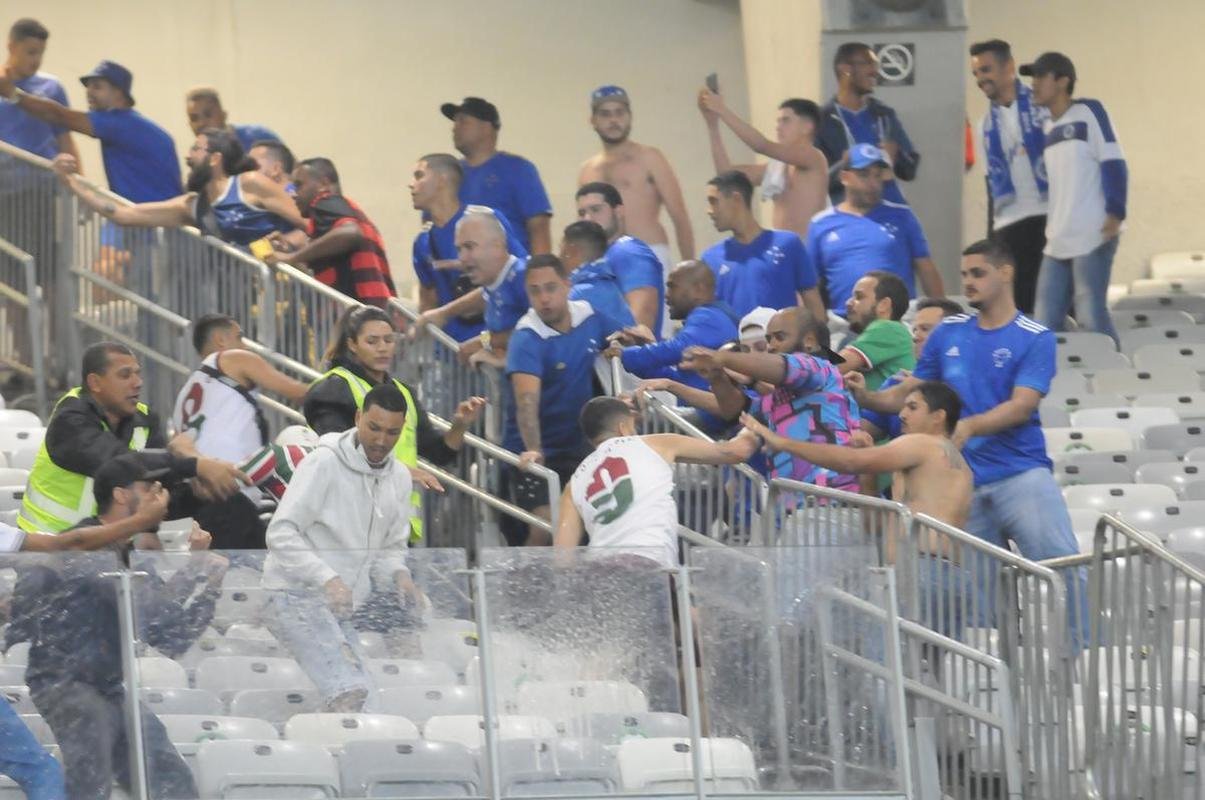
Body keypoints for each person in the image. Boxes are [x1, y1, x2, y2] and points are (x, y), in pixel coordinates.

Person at [849, 239, 1085, 639]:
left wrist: (971, 427)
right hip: (963, 483)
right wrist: (868, 397)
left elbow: (1022, 405)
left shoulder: (1034, 335)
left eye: (979, 273)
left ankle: (1084, 655)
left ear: (1006, 273)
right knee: (973, 601)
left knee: (1060, 568)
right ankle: (985, 685)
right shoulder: (949, 333)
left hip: (1021, 474)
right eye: (965, 275)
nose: (969, 282)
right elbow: (915, 390)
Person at [9, 455, 227, 799]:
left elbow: (171, 633)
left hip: (108, 686)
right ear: (122, 496)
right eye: (148, 487)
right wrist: (193, 569)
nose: (160, 495)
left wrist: (206, 581)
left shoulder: (128, 554)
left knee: (170, 780)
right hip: (65, 683)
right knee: (91, 782)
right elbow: (149, 609)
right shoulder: (82, 546)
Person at [741, 381, 977, 637]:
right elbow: (873, 526)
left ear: (938, 417)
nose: (901, 414)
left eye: (913, 407)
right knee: (929, 673)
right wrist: (868, 477)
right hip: (948, 577)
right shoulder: (952, 462)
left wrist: (782, 442)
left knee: (882, 668)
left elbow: (849, 462)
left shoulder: (923, 444)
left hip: (918, 573)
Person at [0, 484, 171, 800]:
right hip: (75, 680)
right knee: (41, 771)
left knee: (43, 771)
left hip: (104, 683)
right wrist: (139, 521)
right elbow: (66, 544)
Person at [263, 384, 420, 711]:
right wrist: (327, 578)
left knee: (368, 705)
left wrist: (400, 575)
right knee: (350, 694)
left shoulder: (400, 478)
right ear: (358, 417)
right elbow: (281, 532)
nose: (380, 440)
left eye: (391, 432)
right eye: (373, 428)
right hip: (292, 596)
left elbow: (391, 546)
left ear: (401, 430)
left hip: (338, 607)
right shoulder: (323, 463)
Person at [18, 341, 248, 533]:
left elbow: (158, 489)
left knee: (231, 505)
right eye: (125, 375)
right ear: (95, 383)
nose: (137, 382)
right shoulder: (70, 420)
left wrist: (198, 492)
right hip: (48, 548)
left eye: (138, 373)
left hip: (112, 548)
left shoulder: (145, 420)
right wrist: (195, 464)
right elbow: (119, 466)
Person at [305, 305, 486, 538]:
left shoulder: (404, 392)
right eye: (372, 341)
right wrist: (401, 472)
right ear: (352, 345)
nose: (383, 348)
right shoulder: (333, 388)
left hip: (396, 523)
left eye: (389, 340)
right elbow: (339, 452)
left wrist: (459, 425)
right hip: (349, 520)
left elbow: (440, 454)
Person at [503, 255, 630, 545]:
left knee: (592, 523)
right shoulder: (527, 337)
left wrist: (633, 339)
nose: (544, 298)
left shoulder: (588, 316)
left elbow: (621, 336)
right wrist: (534, 449)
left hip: (578, 446)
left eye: (551, 288)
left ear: (567, 286)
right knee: (546, 525)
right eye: (535, 291)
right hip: (534, 450)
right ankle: (525, 588)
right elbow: (526, 402)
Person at [680, 308, 860, 492]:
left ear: (809, 342)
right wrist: (716, 377)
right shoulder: (774, 400)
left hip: (832, 506)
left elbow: (783, 367)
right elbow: (735, 410)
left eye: (779, 337)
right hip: (791, 511)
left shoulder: (822, 370)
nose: (771, 346)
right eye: (768, 339)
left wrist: (721, 358)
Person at [556, 396, 748, 567]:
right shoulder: (656, 443)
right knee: (686, 606)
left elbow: (563, 559)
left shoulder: (574, 483)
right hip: (647, 562)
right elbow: (734, 452)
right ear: (624, 428)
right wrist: (754, 429)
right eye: (633, 425)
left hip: (599, 570)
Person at [173, 314, 311, 549]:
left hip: (197, 498)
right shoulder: (232, 358)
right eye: (240, 337)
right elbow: (298, 392)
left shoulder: (185, 394)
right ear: (220, 340)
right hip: (230, 490)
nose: (246, 345)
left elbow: (178, 446)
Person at [1023, 51, 1127, 344]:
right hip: (1058, 240)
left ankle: (1113, 372)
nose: (1034, 83)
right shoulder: (1047, 127)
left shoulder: (1090, 112)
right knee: (1044, 322)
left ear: (1063, 81)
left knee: (1091, 315)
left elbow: (1114, 160)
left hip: (1093, 233)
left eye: (1041, 76)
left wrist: (1116, 211)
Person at [51, 126, 302, 247]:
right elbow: (124, 215)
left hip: (283, 291)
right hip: (237, 301)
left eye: (196, 149)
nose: (188, 156)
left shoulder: (250, 184)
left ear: (215, 159)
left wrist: (286, 244)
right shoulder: (191, 205)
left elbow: (307, 223)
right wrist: (71, 183)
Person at [0, 59, 181, 202]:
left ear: (119, 94)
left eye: (97, 87)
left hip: (147, 224)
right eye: (88, 87)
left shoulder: (118, 123)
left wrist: (12, 93)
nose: (88, 92)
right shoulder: (140, 126)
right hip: (158, 220)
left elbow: (60, 116)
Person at [807, 144, 943, 313]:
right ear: (844, 177)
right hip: (844, 323)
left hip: (897, 322)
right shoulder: (821, 223)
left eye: (878, 176)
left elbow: (925, 268)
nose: (873, 183)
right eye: (864, 175)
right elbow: (809, 285)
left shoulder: (902, 216)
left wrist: (940, 315)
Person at [410, 153, 526, 342]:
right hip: (452, 353)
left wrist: (446, 312)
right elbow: (429, 304)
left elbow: (514, 276)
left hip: (493, 341)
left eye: (419, 175)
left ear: (441, 180)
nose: (411, 184)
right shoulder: (422, 242)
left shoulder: (486, 220)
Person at [970, 39, 1049, 315]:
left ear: (1009, 67)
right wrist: (992, 243)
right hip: (1010, 226)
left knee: (1057, 307)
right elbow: (990, 186)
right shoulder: (984, 126)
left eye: (987, 70)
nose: (981, 79)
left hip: (1048, 217)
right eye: (977, 74)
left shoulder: (1043, 107)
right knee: (1019, 309)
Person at [578, 85, 694, 271]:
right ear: (593, 120)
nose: (614, 120)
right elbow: (585, 228)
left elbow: (680, 217)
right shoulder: (587, 170)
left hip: (649, 252)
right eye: (605, 114)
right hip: (605, 261)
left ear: (630, 116)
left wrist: (689, 266)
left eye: (619, 113)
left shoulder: (651, 158)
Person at [698, 90, 829, 240]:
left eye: (785, 120)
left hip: (808, 253)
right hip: (781, 251)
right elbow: (725, 175)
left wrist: (722, 110)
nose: (778, 127)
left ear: (807, 126)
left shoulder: (814, 158)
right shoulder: (775, 168)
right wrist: (713, 125)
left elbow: (761, 145)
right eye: (778, 121)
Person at [268, 157, 397, 307]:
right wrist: (291, 253)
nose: (294, 194)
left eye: (299, 185)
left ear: (324, 184)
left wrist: (290, 257)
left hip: (361, 312)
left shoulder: (324, 201)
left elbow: (351, 232)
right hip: (375, 308)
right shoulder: (348, 211)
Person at [699, 170, 826, 321]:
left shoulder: (788, 244)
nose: (709, 211)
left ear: (736, 199)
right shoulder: (710, 259)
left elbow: (813, 302)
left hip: (781, 343)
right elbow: (706, 316)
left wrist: (822, 342)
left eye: (714, 201)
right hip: (733, 344)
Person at [441, 96, 552, 253]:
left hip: (511, 272)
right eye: (454, 122)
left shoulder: (518, 170)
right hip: (459, 271)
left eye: (463, 121)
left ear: (487, 127)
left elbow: (538, 227)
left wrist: (541, 271)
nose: (454, 128)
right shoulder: (448, 176)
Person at [607, 260, 738, 392]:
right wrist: (640, 349)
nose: (667, 295)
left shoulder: (709, 317)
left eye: (672, 286)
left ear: (698, 289)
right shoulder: (712, 317)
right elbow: (678, 380)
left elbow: (677, 348)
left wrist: (626, 355)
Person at [418, 207, 529, 363]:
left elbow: (546, 327)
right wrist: (443, 313)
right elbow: (484, 296)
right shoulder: (495, 283)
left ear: (497, 245)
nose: (462, 257)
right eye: (459, 249)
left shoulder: (525, 276)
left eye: (470, 247)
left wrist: (484, 343)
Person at [817, 42, 919, 205]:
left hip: (890, 214)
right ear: (846, 69)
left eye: (876, 64)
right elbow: (816, 182)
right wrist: (846, 164)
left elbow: (910, 170)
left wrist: (896, 154)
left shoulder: (884, 115)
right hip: (850, 218)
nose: (875, 71)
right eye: (868, 64)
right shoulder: (822, 120)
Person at [859, 297, 964, 440]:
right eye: (915, 330)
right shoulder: (897, 383)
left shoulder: (968, 389)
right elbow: (860, 434)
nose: (915, 337)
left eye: (925, 329)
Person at [574, 181, 667, 335]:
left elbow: (642, 320)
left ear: (619, 211)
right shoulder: (596, 258)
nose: (588, 219)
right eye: (582, 213)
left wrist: (624, 350)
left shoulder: (627, 250)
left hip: (621, 355)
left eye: (596, 210)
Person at [0, 17, 79, 161]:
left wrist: (77, 180)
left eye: (41, 53)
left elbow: (65, 140)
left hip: (45, 179)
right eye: (31, 52)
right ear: (11, 48)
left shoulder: (52, 87)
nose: (37, 60)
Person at [837, 270, 915, 390]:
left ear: (884, 304)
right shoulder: (894, 331)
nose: (848, 303)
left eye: (859, 297)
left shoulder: (889, 329)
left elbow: (834, 367)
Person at [560, 220, 635, 327]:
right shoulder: (615, 289)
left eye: (561, 250)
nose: (560, 258)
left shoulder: (576, 296)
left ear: (572, 251)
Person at [184, 86, 283, 151]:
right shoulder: (200, 159)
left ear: (224, 115)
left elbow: (292, 172)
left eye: (208, 114)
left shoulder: (258, 136)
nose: (201, 123)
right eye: (194, 118)